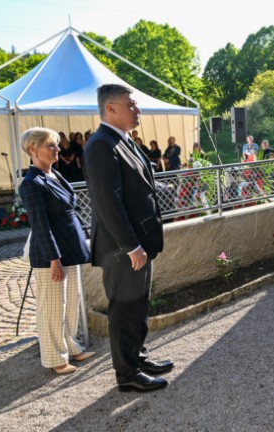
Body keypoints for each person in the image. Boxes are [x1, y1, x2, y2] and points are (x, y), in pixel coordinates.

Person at [83, 84, 173, 393]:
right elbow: (108, 202)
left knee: (138, 305)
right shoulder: (100, 145)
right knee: (124, 310)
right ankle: (127, 374)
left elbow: (137, 187)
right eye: (131, 105)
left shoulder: (123, 141)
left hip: (139, 243)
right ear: (110, 109)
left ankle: (139, 357)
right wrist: (131, 245)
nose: (137, 110)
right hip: (123, 249)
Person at [17, 127, 94, 375]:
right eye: (51, 145)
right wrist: (54, 259)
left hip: (70, 249)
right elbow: (40, 224)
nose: (57, 149)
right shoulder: (31, 183)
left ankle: (71, 346)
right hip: (52, 255)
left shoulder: (56, 175)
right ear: (33, 149)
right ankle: (55, 358)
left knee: (71, 302)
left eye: (56, 145)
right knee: (52, 307)